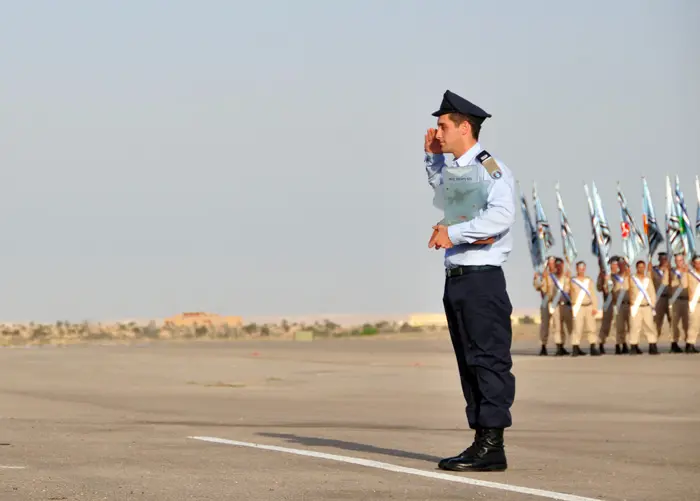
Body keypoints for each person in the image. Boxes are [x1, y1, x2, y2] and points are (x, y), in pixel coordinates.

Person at [424, 89, 515, 472]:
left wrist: (455, 235)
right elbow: (442, 192)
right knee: (469, 362)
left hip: (481, 279)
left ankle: (493, 443)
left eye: (443, 126)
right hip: (459, 279)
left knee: (488, 361)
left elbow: (502, 215)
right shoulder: (460, 169)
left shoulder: (489, 167)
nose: (437, 132)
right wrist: (432, 157)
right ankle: (481, 439)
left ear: (465, 127)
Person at [625, 260, 658, 354]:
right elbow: (626, 289)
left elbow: (652, 293)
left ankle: (652, 345)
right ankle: (634, 346)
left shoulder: (648, 280)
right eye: (639, 267)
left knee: (649, 326)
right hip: (636, 307)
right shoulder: (632, 279)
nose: (641, 269)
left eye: (643, 267)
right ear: (637, 268)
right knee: (635, 327)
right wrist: (626, 276)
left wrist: (653, 305)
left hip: (647, 306)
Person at [569, 261, 599, 356]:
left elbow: (593, 294)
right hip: (578, 307)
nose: (581, 270)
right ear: (576, 269)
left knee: (591, 327)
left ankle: (593, 346)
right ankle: (575, 347)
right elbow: (567, 291)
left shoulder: (588, 280)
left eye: (583, 268)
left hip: (588, 306)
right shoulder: (572, 281)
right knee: (577, 328)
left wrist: (595, 307)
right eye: (579, 268)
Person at [547, 257, 572, 356]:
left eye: (560, 265)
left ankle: (575, 345)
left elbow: (572, 291)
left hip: (566, 305)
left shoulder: (567, 278)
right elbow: (546, 290)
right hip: (556, 305)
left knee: (571, 326)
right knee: (557, 327)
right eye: (556, 265)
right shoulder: (551, 278)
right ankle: (559, 346)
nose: (559, 267)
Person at [533, 256, 556, 355]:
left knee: (558, 325)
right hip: (546, 302)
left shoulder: (558, 274)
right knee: (544, 325)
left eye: (553, 263)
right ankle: (543, 345)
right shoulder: (543, 275)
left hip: (556, 302)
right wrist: (538, 278)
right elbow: (537, 287)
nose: (551, 265)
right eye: (549, 263)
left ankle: (560, 345)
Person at [597, 256, 620, 354]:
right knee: (605, 325)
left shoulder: (620, 276)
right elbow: (599, 288)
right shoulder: (606, 276)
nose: (614, 266)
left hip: (618, 303)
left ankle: (619, 344)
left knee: (618, 325)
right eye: (613, 264)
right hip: (608, 303)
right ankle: (601, 343)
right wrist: (602, 278)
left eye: (616, 264)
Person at [669, 253, 689, 353]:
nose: (679, 262)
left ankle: (689, 343)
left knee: (687, 323)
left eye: (681, 260)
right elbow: (671, 284)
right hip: (676, 300)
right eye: (677, 260)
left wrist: (685, 272)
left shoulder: (689, 271)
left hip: (686, 300)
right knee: (674, 323)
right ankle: (674, 343)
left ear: (683, 261)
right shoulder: (672, 272)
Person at [652, 252, 671, 339]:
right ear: (658, 259)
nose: (663, 261)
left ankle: (674, 343)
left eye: (665, 259)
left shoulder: (672, 271)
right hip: (659, 298)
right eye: (661, 259)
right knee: (657, 321)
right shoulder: (654, 270)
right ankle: (654, 342)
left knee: (673, 321)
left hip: (670, 298)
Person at [613, 257, 631, 354]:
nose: (621, 266)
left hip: (628, 304)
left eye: (623, 264)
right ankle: (619, 344)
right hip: (619, 304)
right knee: (619, 326)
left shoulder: (629, 277)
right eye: (620, 264)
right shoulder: (615, 277)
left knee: (630, 325)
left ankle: (628, 344)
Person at [686, 255, 700, 353]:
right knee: (694, 324)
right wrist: (683, 273)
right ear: (693, 263)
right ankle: (690, 344)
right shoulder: (689, 274)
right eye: (697, 262)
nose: (698, 264)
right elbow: (684, 285)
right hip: (695, 303)